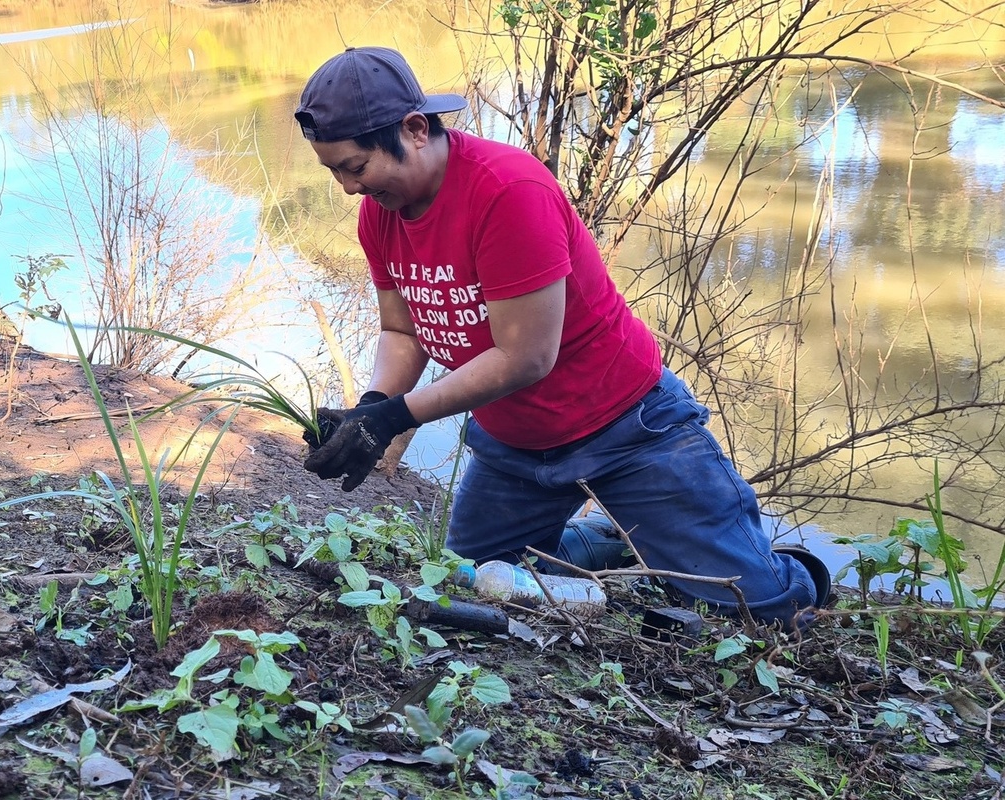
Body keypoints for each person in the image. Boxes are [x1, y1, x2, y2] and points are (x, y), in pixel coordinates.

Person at [294, 47, 831, 625]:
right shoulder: (382, 211)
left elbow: (526, 357)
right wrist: (372, 406)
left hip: (626, 427)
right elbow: (403, 328)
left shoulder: (507, 190)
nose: (349, 188)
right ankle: (620, 538)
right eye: (334, 172)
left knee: (760, 612)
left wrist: (399, 416)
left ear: (415, 129)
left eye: (355, 167)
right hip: (515, 446)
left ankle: (768, 564)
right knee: (471, 581)